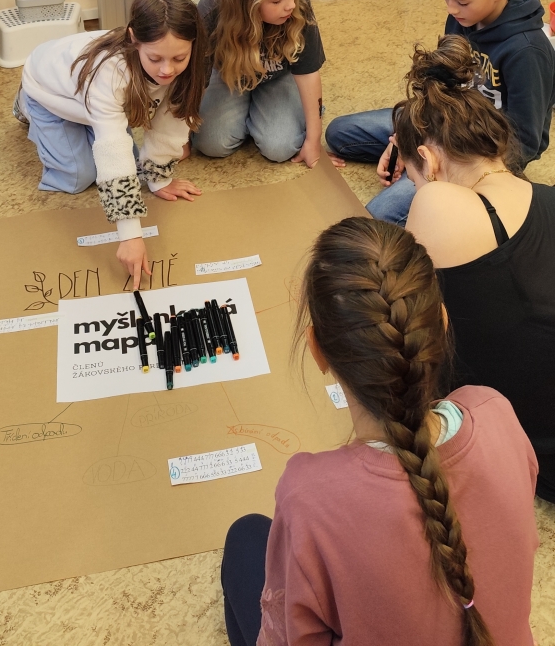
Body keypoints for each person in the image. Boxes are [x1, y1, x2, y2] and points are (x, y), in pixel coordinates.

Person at [222, 217, 537, 646]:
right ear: (442, 324)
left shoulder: (309, 496)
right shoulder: (495, 412)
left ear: (317, 350)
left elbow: (289, 637)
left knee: (245, 537)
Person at [393, 33, 555, 502]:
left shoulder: (438, 203)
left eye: (413, 177)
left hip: (530, 444)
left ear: (428, 160)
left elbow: (405, 321)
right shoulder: (544, 197)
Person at [326, 0, 555, 226]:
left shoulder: (527, 51)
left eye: (461, 2)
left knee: (379, 217)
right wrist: (405, 138)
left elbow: (526, 142)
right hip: (444, 123)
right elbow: (441, 85)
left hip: (477, 153)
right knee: (339, 133)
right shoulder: (462, 18)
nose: (451, 9)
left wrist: (438, 161)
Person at [15, 0, 205, 289]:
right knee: (78, 176)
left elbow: (170, 120)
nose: (167, 69)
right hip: (51, 92)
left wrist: (159, 177)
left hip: (98, 102)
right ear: (133, 39)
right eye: (155, 58)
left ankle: (91, 121)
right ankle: (25, 105)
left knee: (132, 165)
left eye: (179, 58)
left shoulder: (186, 66)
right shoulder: (110, 72)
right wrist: (130, 236)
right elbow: (112, 150)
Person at [193, 0, 325, 168]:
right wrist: (179, 141)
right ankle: (251, 116)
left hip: (279, 76)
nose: (290, 4)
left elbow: (308, 72)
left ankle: (261, 117)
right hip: (229, 77)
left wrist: (313, 140)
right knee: (211, 144)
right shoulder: (210, 11)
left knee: (280, 147)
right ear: (245, 2)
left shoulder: (298, 2)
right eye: (277, 0)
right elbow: (193, 82)